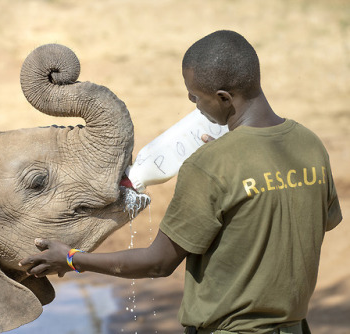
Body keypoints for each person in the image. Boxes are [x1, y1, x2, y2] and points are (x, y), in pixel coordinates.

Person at [20, 30, 342, 334]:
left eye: (196, 98)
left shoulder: (209, 165)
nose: (194, 106)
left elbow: (158, 263)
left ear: (224, 98)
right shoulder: (308, 144)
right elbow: (312, 220)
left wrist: (73, 259)